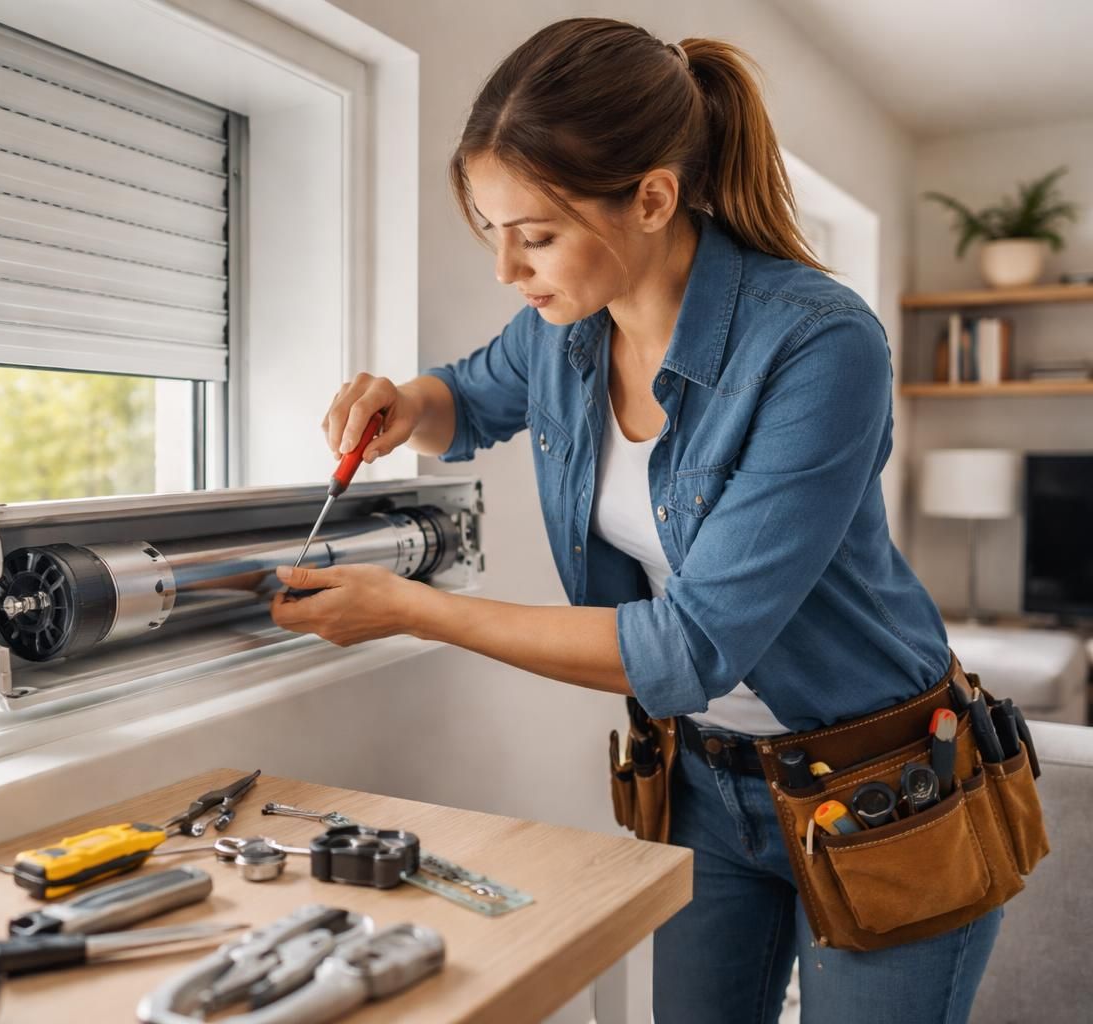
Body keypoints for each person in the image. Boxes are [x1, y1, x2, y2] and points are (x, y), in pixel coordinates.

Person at [267, 17, 999, 1024]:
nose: (509, 270)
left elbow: (689, 644)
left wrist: (412, 610)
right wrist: (401, 401)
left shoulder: (823, 347)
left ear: (653, 197)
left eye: (536, 236)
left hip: (885, 787)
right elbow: (465, 399)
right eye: (493, 234)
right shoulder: (563, 335)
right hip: (701, 782)